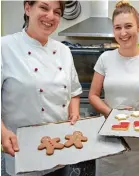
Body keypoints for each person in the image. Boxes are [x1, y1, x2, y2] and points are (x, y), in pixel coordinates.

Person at [1, 1, 82, 175]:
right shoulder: (5, 47)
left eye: (57, 12)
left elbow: (74, 92)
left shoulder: (64, 51)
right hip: (20, 152)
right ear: (27, 8)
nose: (51, 16)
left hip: (60, 150)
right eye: (44, 8)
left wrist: (74, 112)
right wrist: (2, 132)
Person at [89, 1, 139, 176]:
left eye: (128, 26)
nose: (123, 33)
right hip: (109, 138)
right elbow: (93, 95)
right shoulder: (105, 59)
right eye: (118, 27)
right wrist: (111, 114)